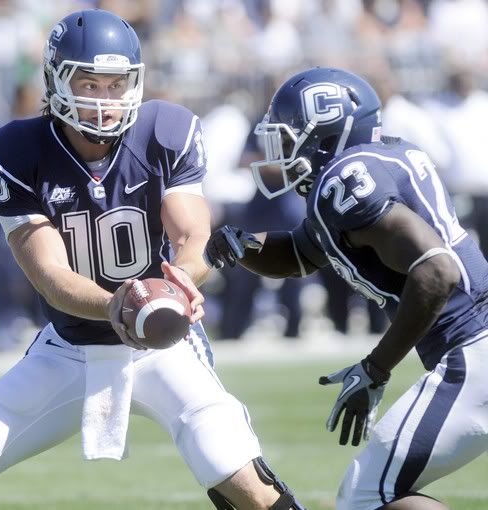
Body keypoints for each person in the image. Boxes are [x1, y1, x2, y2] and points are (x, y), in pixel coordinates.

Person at [0, 9, 305, 510]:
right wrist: (118, 305)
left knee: (235, 472)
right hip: (68, 346)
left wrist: (181, 281)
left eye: (115, 84)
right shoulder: (16, 151)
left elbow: (192, 233)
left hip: (164, 346)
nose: (104, 100)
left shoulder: (164, 129)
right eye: (89, 82)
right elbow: (51, 275)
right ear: (55, 79)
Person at [205, 66, 488, 510]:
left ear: (325, 134)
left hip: (474, 351)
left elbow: (437, 272)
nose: (278, 153)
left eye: (288, 138)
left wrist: (375, 368)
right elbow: (302, 253)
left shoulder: (348, 178)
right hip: (474, 347)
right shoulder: (376, 162)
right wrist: (244, 245)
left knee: (366, 495)